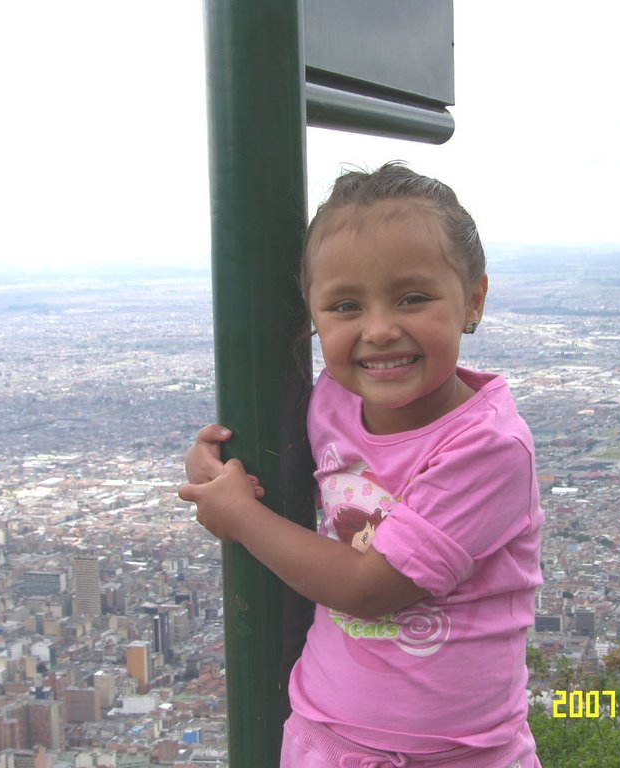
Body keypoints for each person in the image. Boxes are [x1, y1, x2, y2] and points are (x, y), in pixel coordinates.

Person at [179, 162, 544, 767]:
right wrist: (214, 471)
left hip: (456, 755)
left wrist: (239, 517)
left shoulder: (489, 448)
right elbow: (257, 475)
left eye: (412, 298)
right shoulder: (332, 399)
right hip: (326, 734)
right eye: (346, 305)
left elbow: (368, 588)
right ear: (313, 318)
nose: (379, 329)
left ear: (473, 299)